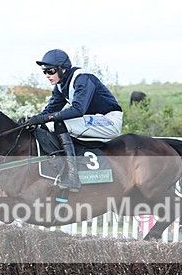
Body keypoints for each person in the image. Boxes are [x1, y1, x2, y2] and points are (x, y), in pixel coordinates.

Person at [22, 49, 123, 192]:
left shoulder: (82, 78)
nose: (46, 75)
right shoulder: (60, 85)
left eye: (50, 71)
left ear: (63, 69)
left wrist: (45, 118)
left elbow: (77, 110)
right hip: (91, 120)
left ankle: (72, 177)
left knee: (58, 122)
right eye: (44, 72)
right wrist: (32, 120)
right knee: (47, 125)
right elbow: (49, 111)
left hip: (109, 120)